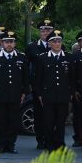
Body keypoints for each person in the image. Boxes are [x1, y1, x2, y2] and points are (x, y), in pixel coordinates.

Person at [0, 31, 29, 153]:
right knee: (0, 121)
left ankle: (11, 144)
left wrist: (24, 92)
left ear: (15, 43)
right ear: (2, 43)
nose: (9, 44)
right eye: (7, 42)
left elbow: (26, 77)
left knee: (13, 121)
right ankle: (0, 145)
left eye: (11, 42)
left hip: (15, 94)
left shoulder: (21, 58)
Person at [32, 30, 73, 150]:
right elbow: (37, 78)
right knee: (48, 122)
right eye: (54, 41)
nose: (57, 43)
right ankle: (49, 145)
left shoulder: (68, 57)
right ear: (49, 43)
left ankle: (60, 145)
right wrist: (39, 94)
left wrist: (71, 92)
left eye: (59, 41)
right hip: (47, 95)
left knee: (61, 122)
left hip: (63, 95)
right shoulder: (42, 58)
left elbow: (72, 77)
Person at [26, 19, 56, 149]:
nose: (45, 32)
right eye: (43, 30)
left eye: (48, 30)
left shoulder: (58, 45)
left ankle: (51, 139)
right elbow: (26, 67)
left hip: (54, 85)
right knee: (39, 114)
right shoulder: (32, 47)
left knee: (53, 114)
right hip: (38, 85)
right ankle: (40, 140)